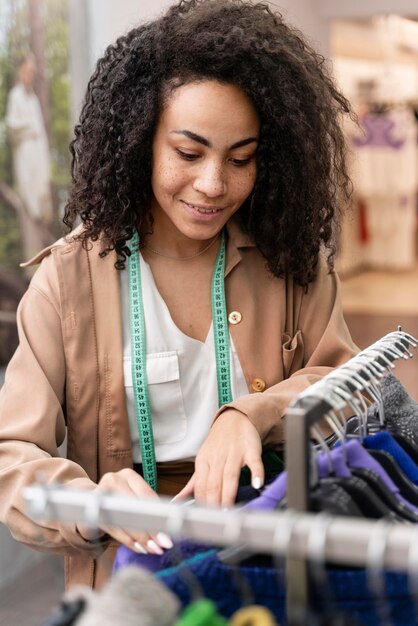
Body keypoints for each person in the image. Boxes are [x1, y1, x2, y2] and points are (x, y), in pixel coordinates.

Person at [0, 0, 359, 590]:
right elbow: (13, 458)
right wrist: (92, 504)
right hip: (128, 578)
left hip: (268, 567)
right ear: (141, 140)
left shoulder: (293, 265)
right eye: (188, 154)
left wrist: (252, 414)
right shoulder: (66, 283)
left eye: (240, 159)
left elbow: (347, 394)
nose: (214, 184)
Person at [6, 54, 54, 257]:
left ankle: (42, 251)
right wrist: (29, 128)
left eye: (32, 73)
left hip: (37, 156)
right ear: (21, 72)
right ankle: (31, 255)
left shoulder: (33, 99)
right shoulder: (15, 95)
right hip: (25, 154)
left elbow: (41, 132)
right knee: (28, 201)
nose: (29, 76)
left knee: (41, 202)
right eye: (27, 72)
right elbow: (11, 124)